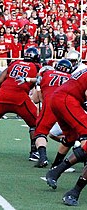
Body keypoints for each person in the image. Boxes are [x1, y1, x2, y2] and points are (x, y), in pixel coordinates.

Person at [16, 60, 73, 168]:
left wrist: (26, 79)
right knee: (73, 135)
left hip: (52, 103)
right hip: (67, 105)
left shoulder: (47, 74)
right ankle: (59, 163)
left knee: (40, 132)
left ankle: (43, 157)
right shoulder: (71, 78)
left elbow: (37, 94)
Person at [45, 68, 87, 206]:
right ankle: (74, 192)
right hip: (68, 100)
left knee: (71, 137)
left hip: (59, 98)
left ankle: (55, 170)